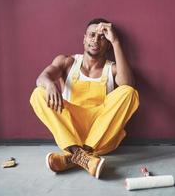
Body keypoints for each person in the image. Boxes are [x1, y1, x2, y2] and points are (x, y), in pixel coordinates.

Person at [30, 18, 139, 179]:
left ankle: (74, 156)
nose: (96, 40)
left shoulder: (113, 69)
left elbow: (128, 84)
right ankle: (85, 157)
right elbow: (42, 78)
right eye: (92, 35)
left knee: (129, 93)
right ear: (84, 39)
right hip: (71, 131)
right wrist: (50, 85)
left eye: (102, 37)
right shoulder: (67, 62)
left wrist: (115, 41)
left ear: (107, 43)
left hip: (101, 134)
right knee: (38, 93)